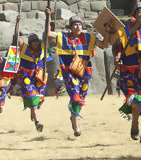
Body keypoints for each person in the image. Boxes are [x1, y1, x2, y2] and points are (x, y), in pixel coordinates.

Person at [46, 8, 110, 136]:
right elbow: (48, 34)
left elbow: (104, 45)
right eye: (75, 24)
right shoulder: (64, 36)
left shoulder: (88, 37)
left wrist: (107, 32)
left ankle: (73, 116)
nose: (78, 26)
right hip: (69, 72)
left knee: (80, 98)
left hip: (84, 73)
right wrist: (48, 17)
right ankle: (76, 126)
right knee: (75, 97)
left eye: (80, 24)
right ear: (70, 27)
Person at [14, 15, 47, 132]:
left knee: (38, 101)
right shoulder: (24, 48)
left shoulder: (43, 48)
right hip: (27, 79)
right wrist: (17, 23)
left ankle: (34, 113)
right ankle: (38, 123)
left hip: (39, 78)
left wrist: (48, 17)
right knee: (33, 100)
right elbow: (16, 37)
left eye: (37, 41)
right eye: (33, 41)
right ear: (29, 42)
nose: (35, 43)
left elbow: (48, 35)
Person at [114, 2, 141, 141]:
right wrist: (117, 57)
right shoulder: (125, 31)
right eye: (140, 11)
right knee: (136, 104)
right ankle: (135, 124)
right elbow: (116, 46)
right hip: (131, 74)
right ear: (135, 14)